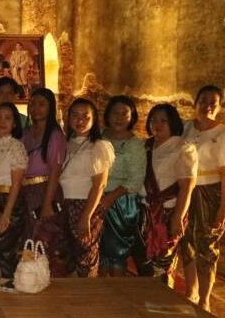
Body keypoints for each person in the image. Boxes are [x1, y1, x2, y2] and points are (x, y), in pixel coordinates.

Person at [181, 85, 225, 311]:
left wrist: (223, 207)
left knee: (206, 244)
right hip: (186, 190)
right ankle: (191, 291)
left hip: (211, 192)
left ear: (219, 106)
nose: (207, 106)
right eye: (203, 100)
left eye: (212, 103)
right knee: (185, 239)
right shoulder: (186, 128)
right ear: (195, 102)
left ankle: (205, 299)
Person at [59, 98, 114, 277]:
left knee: (86, 255)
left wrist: (86, 216)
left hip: (86, 204)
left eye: (85, 116)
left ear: (94, 119)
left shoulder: (98, 146)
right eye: (75, 115)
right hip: (63, 204)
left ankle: (89, 292)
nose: (80, 120)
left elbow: (100, 185)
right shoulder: (64, 143)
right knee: (66, 256)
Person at [143, 104, 197, 286]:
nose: (157, 124)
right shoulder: (146, 145)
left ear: (172, 122)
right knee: (145, 263)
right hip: (145, 212)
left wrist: (178, 217)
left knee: (162, 263)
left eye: (163, 120)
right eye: (153, 120)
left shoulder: (182, 148)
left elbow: (186, 186)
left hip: (167, 213)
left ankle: (163, 298)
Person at [20, 88, 67, 276]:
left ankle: (50, 281)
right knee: (28, 239)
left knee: (45, 239)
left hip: (45, 190)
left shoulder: (55, 135)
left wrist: (47, 204)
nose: (36, 108)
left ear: (50, 107)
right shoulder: (26, 133)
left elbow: (55, 171)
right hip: (27, 191)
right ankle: (31, 279)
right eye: (32, 104)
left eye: (41, 104)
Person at [99, 96, 147, 276]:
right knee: (99, 251)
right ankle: (101, 289)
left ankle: (117, 289)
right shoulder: (100, 137)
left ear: (131, 117)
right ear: (108, 115)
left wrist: (110, 198)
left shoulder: (135, 145)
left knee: (116, 252)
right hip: (97, 198)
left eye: (124, 114)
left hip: (121, 203)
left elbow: (136, 179)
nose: (119, 118)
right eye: (115, 113)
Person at [0, 103, 27, 281]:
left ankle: (8, 290)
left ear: (15, 124)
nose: (2, 121)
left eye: (7, 118)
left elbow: (16, 184)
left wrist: (6, 214)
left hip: (9, 200)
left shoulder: (16, 146)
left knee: (7, 249)